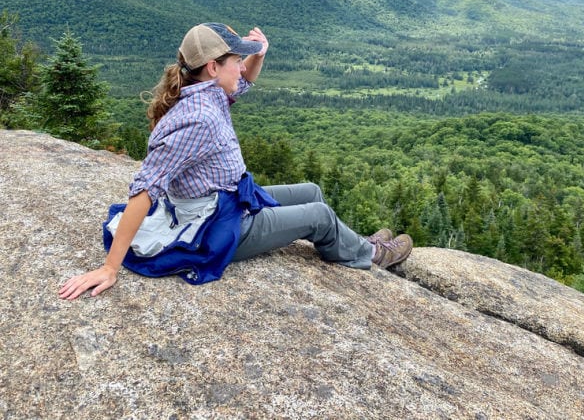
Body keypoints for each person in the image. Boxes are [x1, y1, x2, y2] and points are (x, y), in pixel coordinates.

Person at [59, 22, 412, 300]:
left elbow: (243, 82)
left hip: (228, 198)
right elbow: (145, 190)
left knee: (312, 190)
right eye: (236, 61)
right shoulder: (197, 118)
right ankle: (369, 255)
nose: (241, 69)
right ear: (213, 66)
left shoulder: (207, 90)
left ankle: (349, 241)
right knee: (319, 217)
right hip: (215, 225)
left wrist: (258, 53)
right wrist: (109, 268)